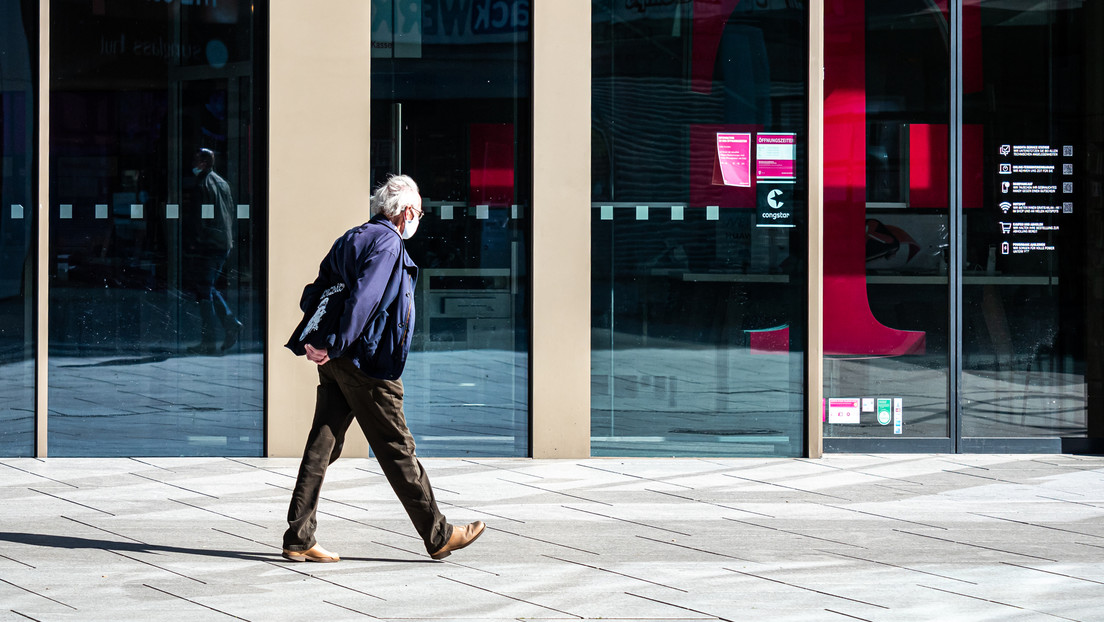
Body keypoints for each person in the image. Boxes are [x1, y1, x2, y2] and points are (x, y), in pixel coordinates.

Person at [281, 174, 485, 563]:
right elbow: (366, 299)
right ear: (406, 211)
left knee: (322, 444)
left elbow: (315, 293)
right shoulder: (388, 242)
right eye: (418, 213)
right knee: (396, 446)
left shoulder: (351, 237)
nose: (417, 220)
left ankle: (298, 537)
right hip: (366, 363)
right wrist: (337, 342)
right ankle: (439, 535)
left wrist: (324, 343)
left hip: (337, 362)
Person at [184, 148, 242, 354]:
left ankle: (211, 339)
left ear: (204, 163)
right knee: (207, 287)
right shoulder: (222, 183)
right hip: (222, 242)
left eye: (196, 160)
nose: (193, 163)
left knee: (204, 290)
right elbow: (230, 212)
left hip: (209, 243)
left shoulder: (203, 184)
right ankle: (228, 325)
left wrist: (194, 242)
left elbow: (201, 218)